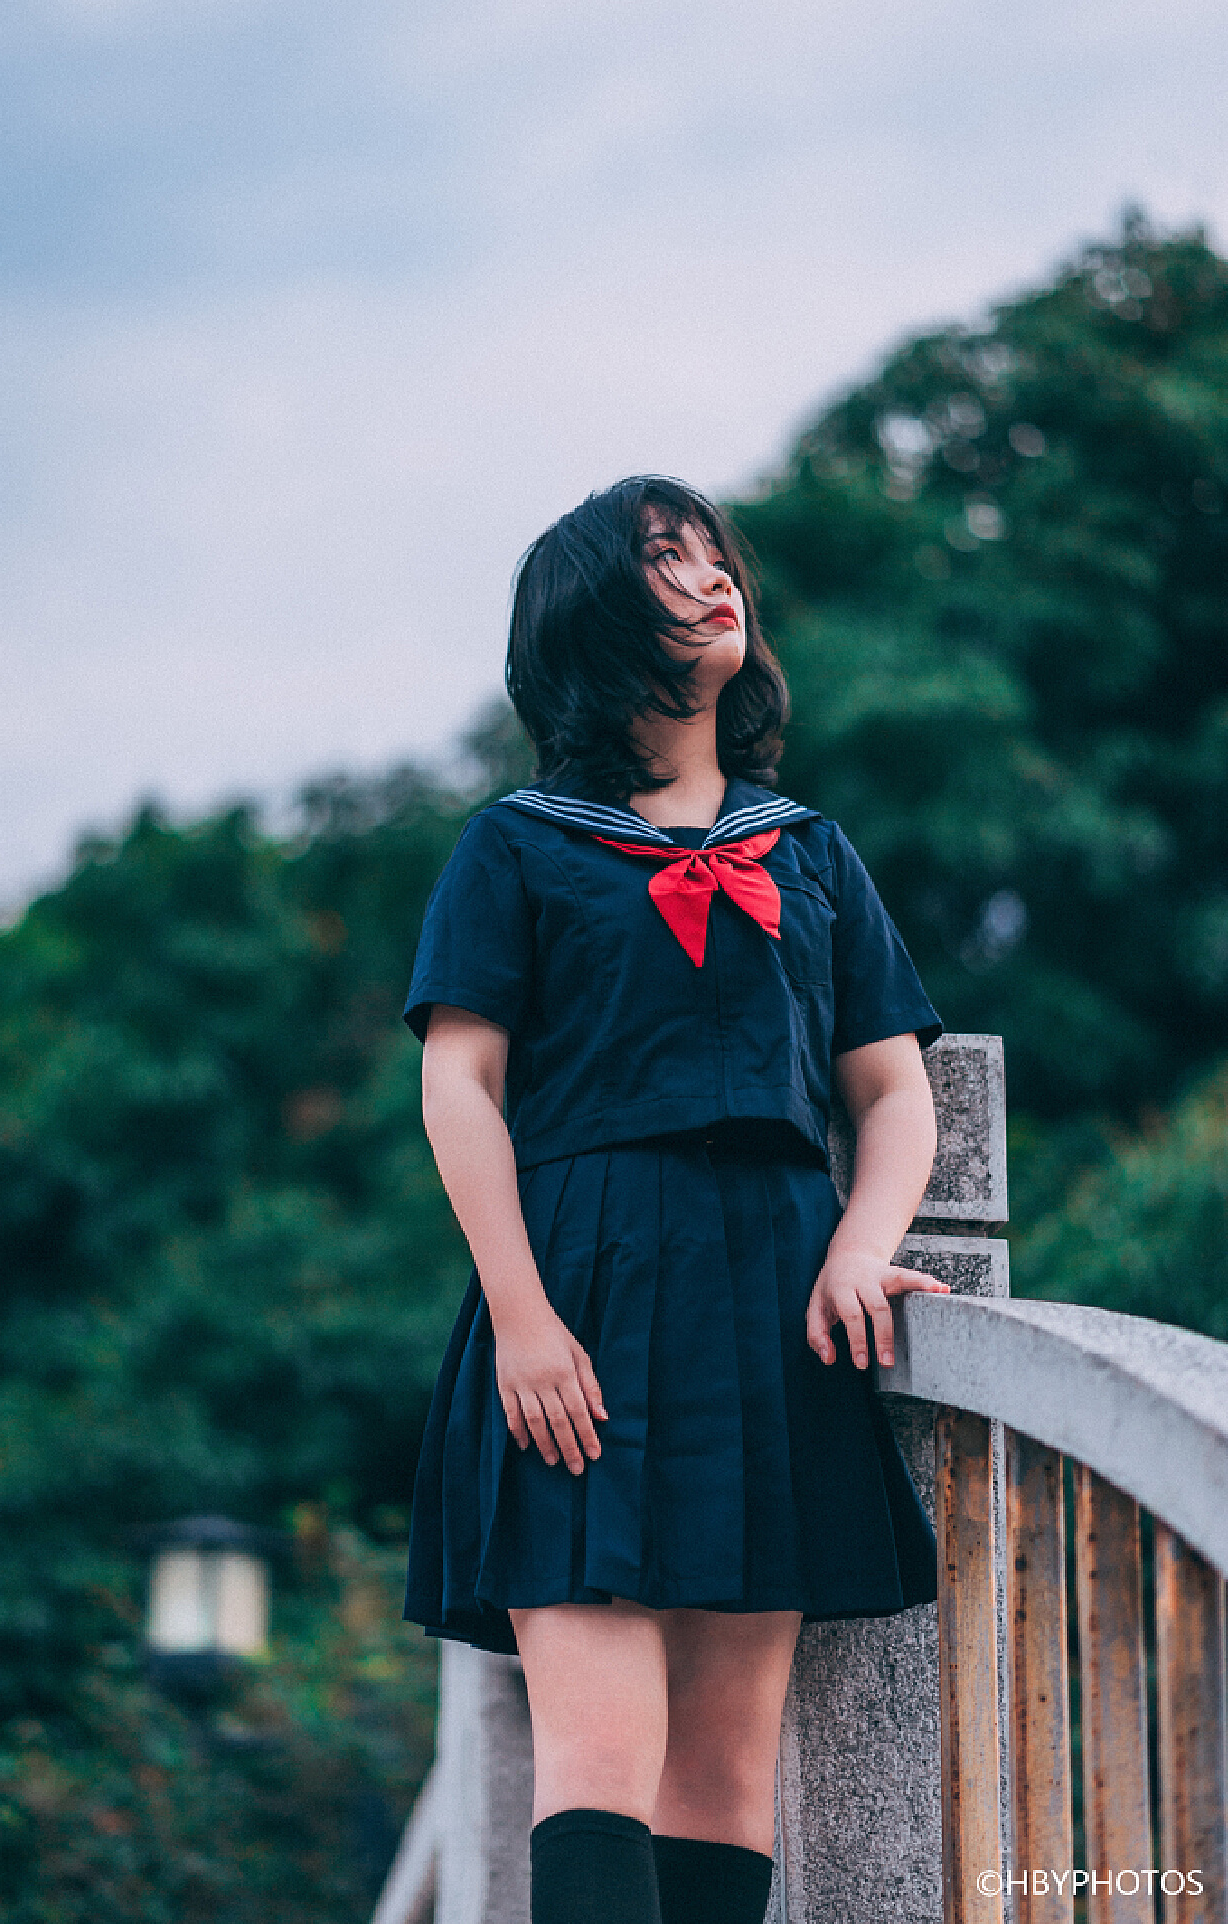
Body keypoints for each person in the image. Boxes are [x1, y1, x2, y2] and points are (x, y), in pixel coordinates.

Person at [400, 475, 950, 1924]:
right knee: (598, 1756)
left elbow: (892, 1096)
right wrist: (522, 1320)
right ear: (590, 612)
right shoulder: (514, 844)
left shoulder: (810, 848)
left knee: (722, 1775)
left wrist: (862, 1248)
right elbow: (459, 1084)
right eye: (664, 558)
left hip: (773, 1308)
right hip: (579, 1293)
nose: (712, 578)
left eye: (715, 555)